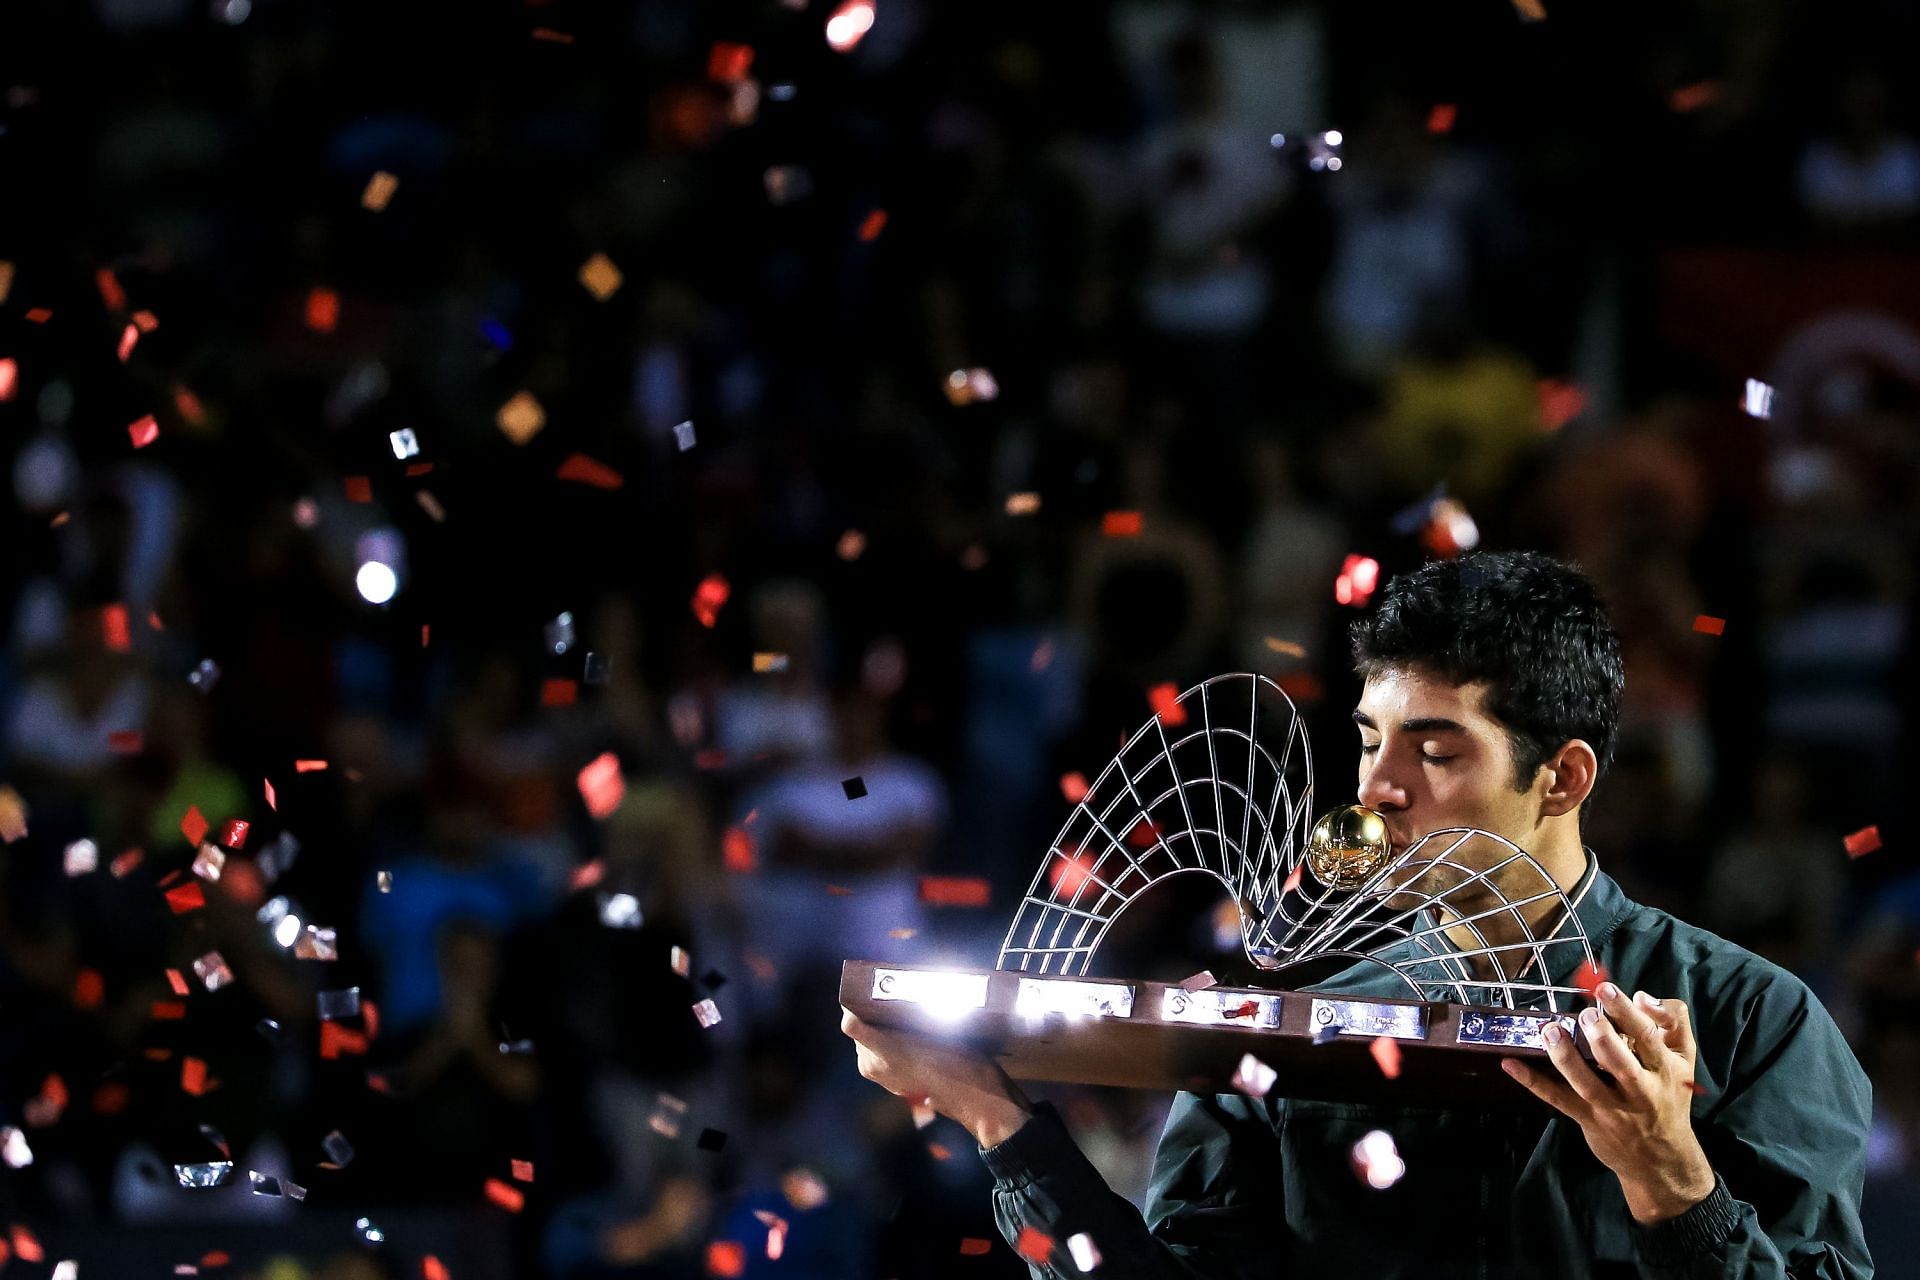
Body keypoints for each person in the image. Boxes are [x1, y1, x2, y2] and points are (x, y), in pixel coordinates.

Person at [842, 550, 1873, 1277]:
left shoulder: (1752, 1020)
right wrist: (1001, 1123)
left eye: (1435, 749)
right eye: (1369, 741)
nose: (1378, 789)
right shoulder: (1281, 1015)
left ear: (1561, 776)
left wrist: (1672, 1179)